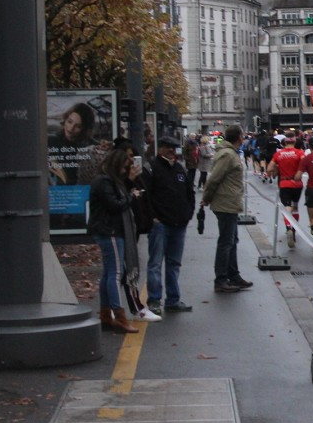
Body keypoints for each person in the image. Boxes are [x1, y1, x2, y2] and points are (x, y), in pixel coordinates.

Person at [88, 148, 144, 334]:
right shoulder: (105, 182)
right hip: (110, 230)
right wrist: (131, 196)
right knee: (115, 273)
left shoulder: (105, 180)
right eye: (123, 168)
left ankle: (106, 314)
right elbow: (115, 205)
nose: (124, 171)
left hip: (107, 229)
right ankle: (119, 315)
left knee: (109, 273)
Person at [143, 136, 195, 314]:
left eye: (173, 148)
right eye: (168, 148)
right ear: (160, 149)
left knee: (174, 263)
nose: (172, 151)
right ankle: (154, 300)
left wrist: (188, 214)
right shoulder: (152, 168)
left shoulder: (179, 169)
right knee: (156, 263)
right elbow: (145, 196)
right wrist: (153, 217)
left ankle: (173, 299)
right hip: (160, 224)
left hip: (179, 223)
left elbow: (189, 192)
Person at [201, 126, 253, 293]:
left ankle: (233, 275)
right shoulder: (227, 154)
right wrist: (206, 198)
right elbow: (214, 178)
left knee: (231, 240)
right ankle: (221, 279)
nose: (244, 137)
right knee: (226, 241)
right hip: (225, 202)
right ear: (238, 137)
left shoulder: (230, 152)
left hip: (229, 201)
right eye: (242, 135)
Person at [268, 131, 305, 247]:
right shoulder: (300, 153)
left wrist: (274, 172)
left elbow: (269, 168)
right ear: (294, 141)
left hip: (284, 183)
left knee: (287, 208)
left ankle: (288, 226)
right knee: (295, 207)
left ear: (284, 142)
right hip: (297, 184)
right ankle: (294, 229)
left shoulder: (278, 154)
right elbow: (305, 164)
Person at [49, 102, 98, 186]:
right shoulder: (51, 141)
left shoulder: (91, 145)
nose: (71, 128)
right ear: (65, 120)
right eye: (69, 121)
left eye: (78, 126)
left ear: (84, 129)